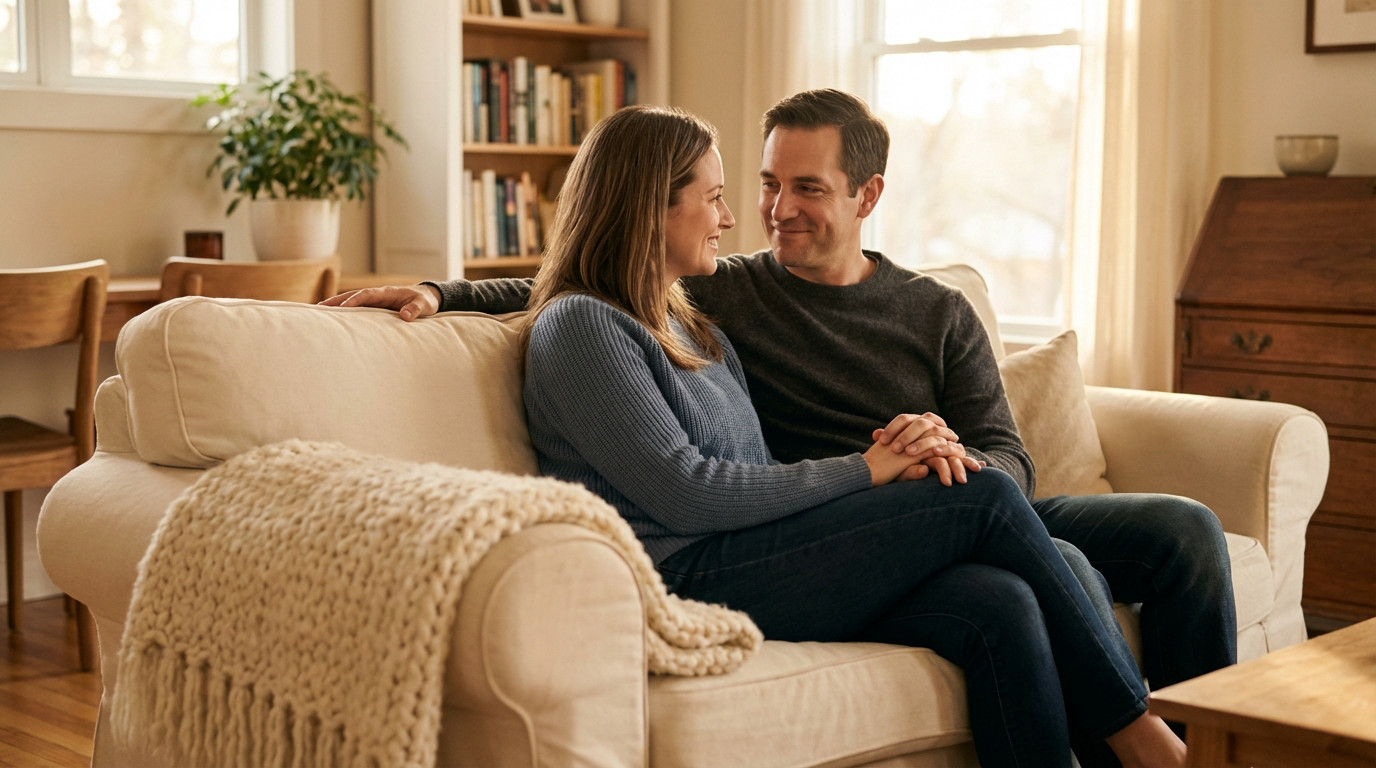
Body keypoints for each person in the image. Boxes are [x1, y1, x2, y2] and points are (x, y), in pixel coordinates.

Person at [325, 93, 1234, 765]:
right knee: (990, 502)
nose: (746, 215)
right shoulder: (591, 325)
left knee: (1005, 596)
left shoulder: (695, 319)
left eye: (796, 188)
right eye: (731, 193)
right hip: (697, 569)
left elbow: (999, 456)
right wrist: (443, 292)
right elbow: (685, 483)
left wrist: (912, 457)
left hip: (785, 541)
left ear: (864, 195)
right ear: (653, 205)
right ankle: (1140, 732)